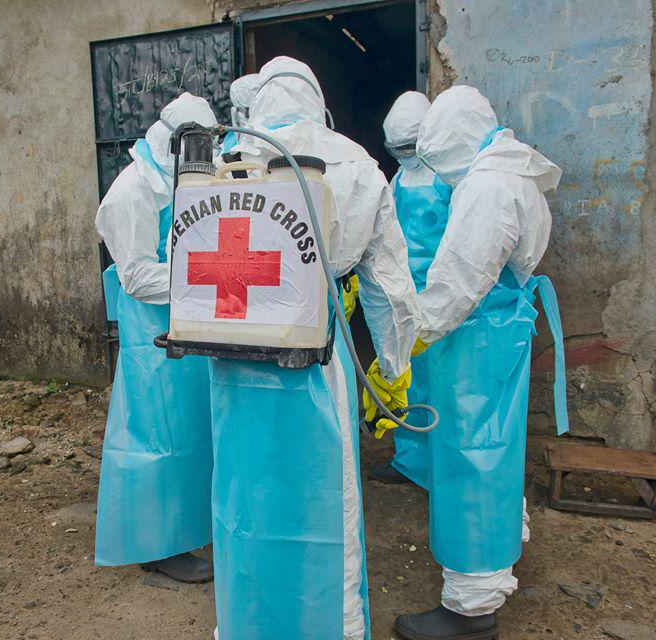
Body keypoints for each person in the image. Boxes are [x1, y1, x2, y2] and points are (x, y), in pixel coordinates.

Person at [212, 56, 419, 640]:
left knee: (243, 505)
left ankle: (246, 627)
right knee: (327, 506)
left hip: (233, 364)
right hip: (318, 365)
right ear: (319, 103)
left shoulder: (224, 162)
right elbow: (390, 291)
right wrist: (392, 369)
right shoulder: (357, 164)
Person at [392, 85, 568, 640]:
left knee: (471, 454)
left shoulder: (488, 189)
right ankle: (500, 551)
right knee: (494, 448)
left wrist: (405, 342)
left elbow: (456, 286)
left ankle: (471, 607)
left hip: (476, 335)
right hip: (497, 331)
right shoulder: (511, 171)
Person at [93, 92, 217, 584]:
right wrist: (211, 276)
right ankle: (159, 546)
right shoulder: (132, 191)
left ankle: (188, 527)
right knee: (157, 436)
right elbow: (138, 277)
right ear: (174, 142)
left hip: (189, 321)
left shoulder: (178, 180)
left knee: (191, 430)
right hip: (153, 330)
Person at [369, 91, 452, 488]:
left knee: (446, 385)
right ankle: (409, 461)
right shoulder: (399, 179)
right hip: (405, 296)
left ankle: (446, 465)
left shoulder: (452, 176)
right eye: (397, 150)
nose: (404, 156)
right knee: (407, 380)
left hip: (445, 298)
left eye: (409, 147)